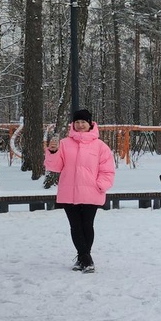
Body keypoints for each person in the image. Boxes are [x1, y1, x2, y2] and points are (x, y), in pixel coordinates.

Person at [44, 108, 116, 273]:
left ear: (90, 124)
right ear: (73, 124)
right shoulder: (64, 143)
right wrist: (53, 152)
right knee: (75, 226)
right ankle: (85, 258)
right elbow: (55, 167)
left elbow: (107, 170)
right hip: (69, 192)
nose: (80, 125)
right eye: (77, 122)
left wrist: (100, 185)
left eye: (83, 122)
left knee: (87, 225)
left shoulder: (100, 146)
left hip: (92, 192)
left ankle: (84, 258)